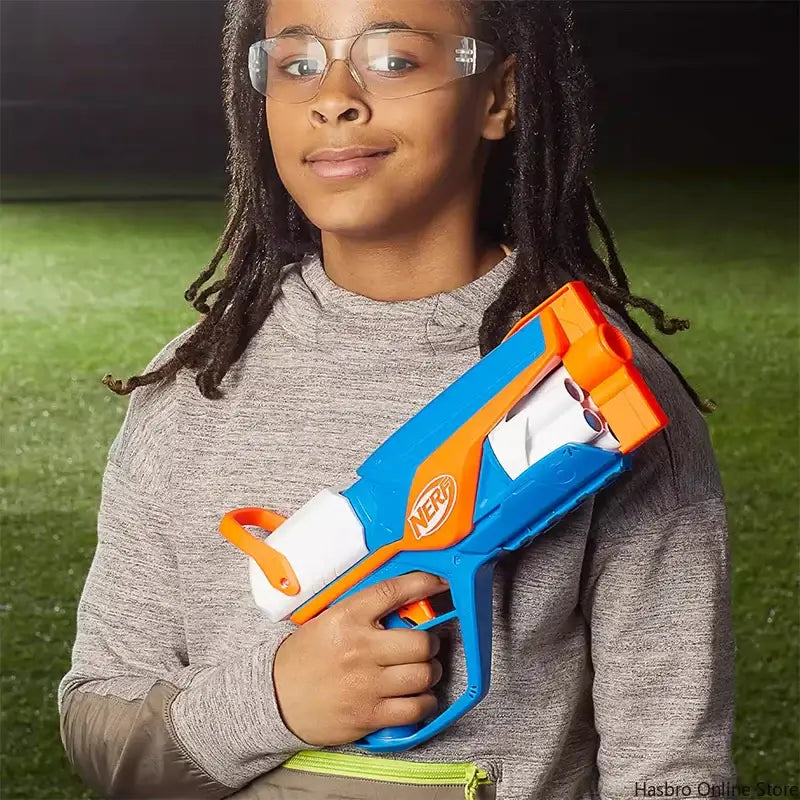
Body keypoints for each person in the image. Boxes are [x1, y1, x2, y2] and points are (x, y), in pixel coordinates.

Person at [57, 1, 736, 798]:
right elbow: (101, 718)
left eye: (394, 60)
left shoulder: (595, 395)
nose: (333, 97)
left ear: (498, 97)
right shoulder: (194, 387)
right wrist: (276, 701)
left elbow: (671, 771)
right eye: (297, 65)